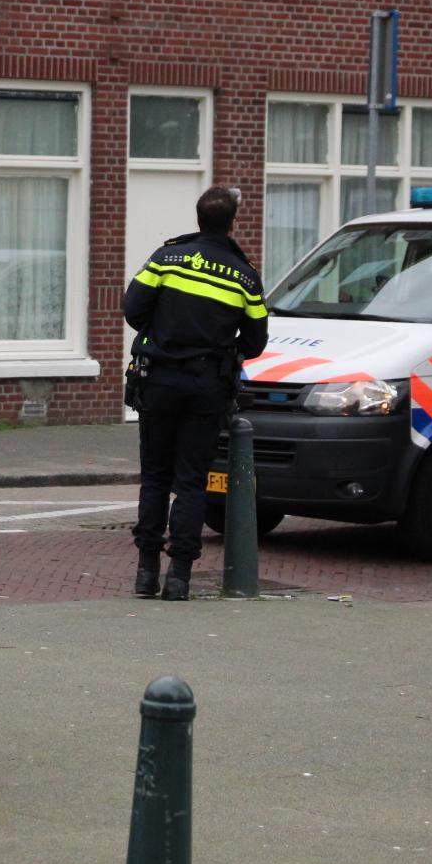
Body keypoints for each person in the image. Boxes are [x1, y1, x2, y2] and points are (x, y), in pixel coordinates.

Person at [122, 185, 269, 601]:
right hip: (207, 385)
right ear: (232, 222)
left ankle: (146, 572)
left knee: (154, 475)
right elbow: (256, 341)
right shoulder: (245, 275)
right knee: (190, 481)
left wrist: (165, 335)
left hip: (159, 380)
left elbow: (133, 309)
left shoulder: (165, 259)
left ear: (198, 217)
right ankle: (180, 578)